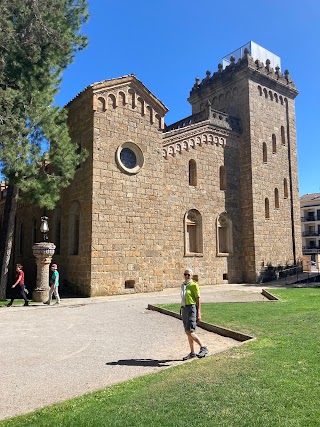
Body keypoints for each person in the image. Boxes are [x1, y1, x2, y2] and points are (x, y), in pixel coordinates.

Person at [181, 268, 208, 360]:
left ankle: (203, 347)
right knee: (187, 332)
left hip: (191, 308)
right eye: (185, 274)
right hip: (184, 308)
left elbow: (198, 299)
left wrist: (199, 312)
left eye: (188, 275)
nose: (187, 276)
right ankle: (192, 352)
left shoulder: (194, 285)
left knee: (190, 331)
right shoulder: (183, 285)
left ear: (191, 276)